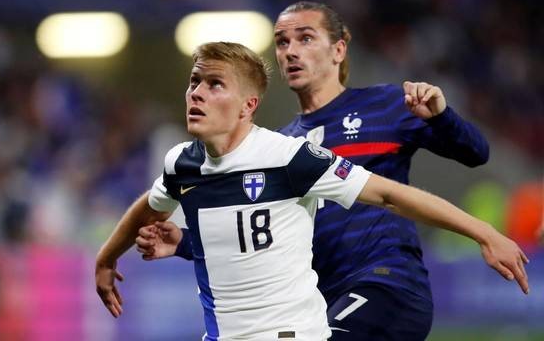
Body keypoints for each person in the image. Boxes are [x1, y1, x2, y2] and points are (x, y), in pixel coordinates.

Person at [96, 41, 529, 341]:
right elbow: (151, 204)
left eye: (215, 84)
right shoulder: (183, 163)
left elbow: (390, 195)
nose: (197, 93)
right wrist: (107, 257)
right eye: (195, 81)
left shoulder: (291, 157)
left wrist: (484, 233)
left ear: (249, 105)